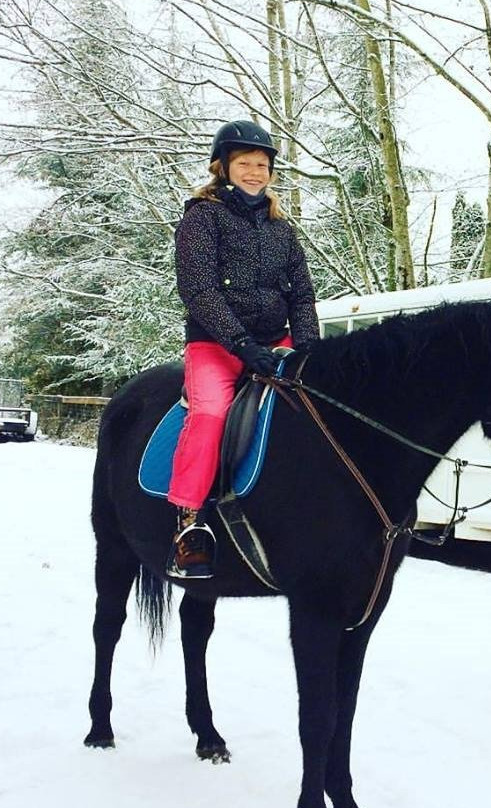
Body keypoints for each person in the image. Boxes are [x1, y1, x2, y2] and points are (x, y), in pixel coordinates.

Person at [165, 120, 320, 579]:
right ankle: (188, 524)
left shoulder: (281, 229)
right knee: (211, 414)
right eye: (245, 164)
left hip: (277, 342)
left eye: (262, 165)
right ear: (224, 167)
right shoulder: (202, 217)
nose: (255, 172)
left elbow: (303, 294)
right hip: (216, 343)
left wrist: (308, 346)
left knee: (316, 406)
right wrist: (241, 344)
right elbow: (198, 289)